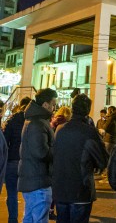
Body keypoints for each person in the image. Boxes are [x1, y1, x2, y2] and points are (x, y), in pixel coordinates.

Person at [52, 94, 108, 223]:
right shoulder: (90, 132)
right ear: (88, 110)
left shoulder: (60, 130)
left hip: (60, 189)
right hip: (80, 189)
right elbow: (102, 160)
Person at [18, 88, 57, 223]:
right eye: (53, 104)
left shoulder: (35, 120)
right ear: (45, 105)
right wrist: (57, 149)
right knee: (38, 219)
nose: (54, 107)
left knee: (29, 218)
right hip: (38, 182)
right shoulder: (37, 123)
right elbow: (41, 153)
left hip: (34, 179)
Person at [2, 96, 31, 223]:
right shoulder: (32, 121)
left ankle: (13, 219)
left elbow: (5, 141)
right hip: (27, 162)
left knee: (12, 193)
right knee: (29, 194)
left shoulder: (12, 120)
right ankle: (27, 218)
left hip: (12, 161)